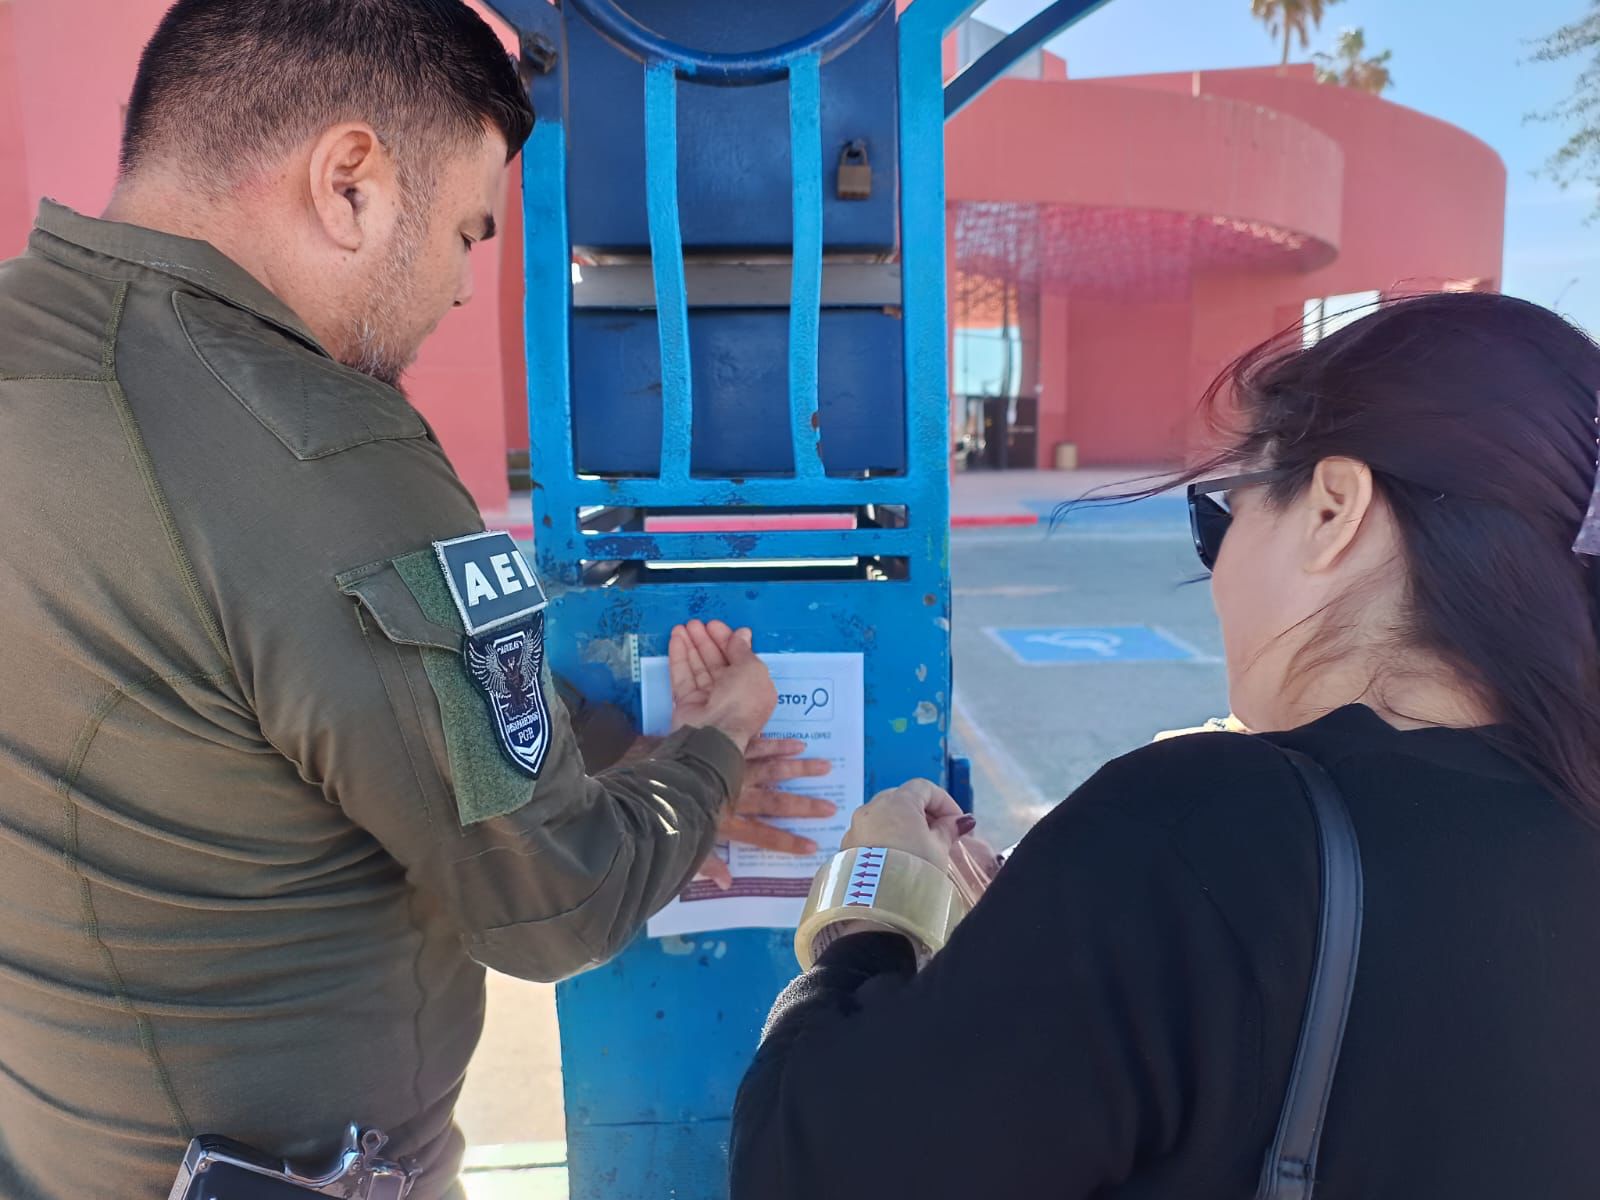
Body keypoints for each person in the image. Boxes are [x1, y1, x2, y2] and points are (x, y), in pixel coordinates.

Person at [0, 2, 819, 1197]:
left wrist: (610, 745)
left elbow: (284, 680)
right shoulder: (321, 453)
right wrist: (715, 750)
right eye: (464, 232)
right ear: (350, 183)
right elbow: (560, 897)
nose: (459, 288)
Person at [732, 291, 1600, 1199]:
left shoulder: (1197, 832)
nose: (1216, 572)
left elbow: (798, 1168)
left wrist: (874, 905)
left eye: (1222, 516)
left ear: (1333, 510)